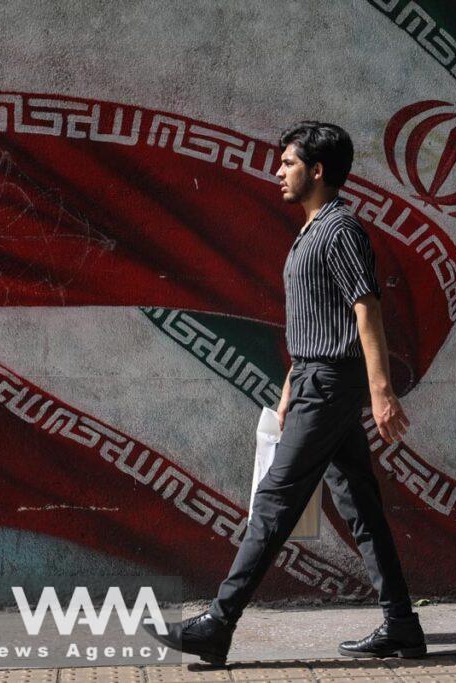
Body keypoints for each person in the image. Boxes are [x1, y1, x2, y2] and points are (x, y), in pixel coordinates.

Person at [146, 122, 425, 666]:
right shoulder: (313, 230)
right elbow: (316, 319)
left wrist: (382, 392)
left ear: (317, 171)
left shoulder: (339, 230)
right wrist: (289, 385)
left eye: (288, 163)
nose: (278, 171)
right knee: (360, 505)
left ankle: (218, 623)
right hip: (317, 382)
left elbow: (365, 308)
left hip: (332, 385)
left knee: (275, 499)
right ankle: (402, 626)